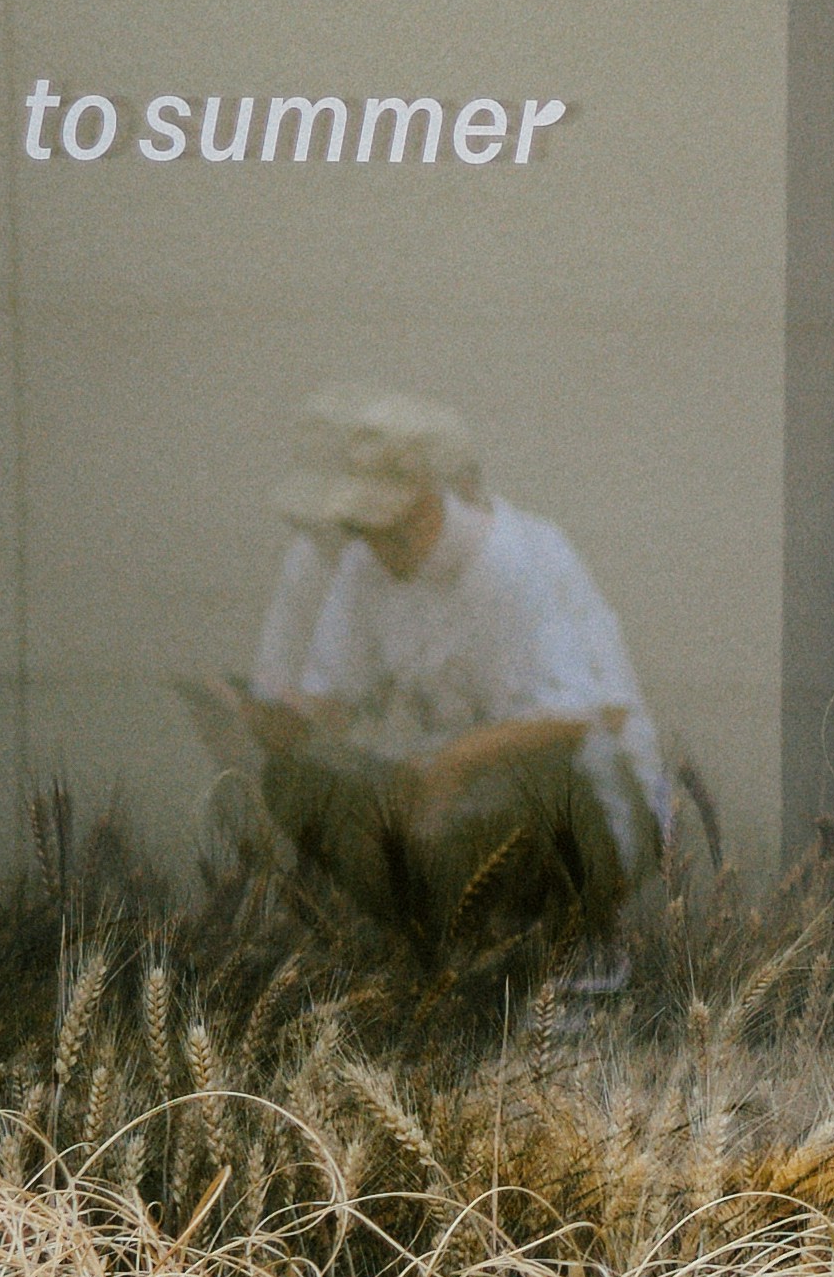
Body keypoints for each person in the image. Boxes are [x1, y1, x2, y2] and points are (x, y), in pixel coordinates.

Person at [236, 384, 670, 956]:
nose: (380, 544)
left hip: (585, 805)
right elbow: (336, 696)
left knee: (551, 779)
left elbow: (592, 717)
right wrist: (283, 718)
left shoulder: (517, 560)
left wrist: (456, 762)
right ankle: (428, 948)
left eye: (394, 524)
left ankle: (566, 948)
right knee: (296, 781)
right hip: (446, 798)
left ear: (435, 496)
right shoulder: (366, 566)